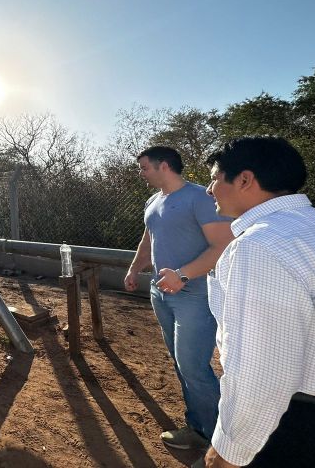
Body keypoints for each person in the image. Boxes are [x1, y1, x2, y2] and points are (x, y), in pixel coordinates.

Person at [199, 137, 315, 468]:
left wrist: (228, 450)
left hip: (298, 421)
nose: (209, 189)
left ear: (244, 180)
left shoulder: (260, 246)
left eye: (214, 178)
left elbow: (262, 370)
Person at [124, 146, 233, 450]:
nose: (141, 173)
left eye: (144, 167)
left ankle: (222, 445)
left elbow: (223, 245)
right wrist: (135, 268)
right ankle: (198, 428)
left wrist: (183, 274)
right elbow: (149, 239)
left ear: (164, 166)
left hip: (194, 297)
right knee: (181, 364)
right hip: (161, 293)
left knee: (194, 369)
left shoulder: (200, 197)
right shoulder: (153, 201)